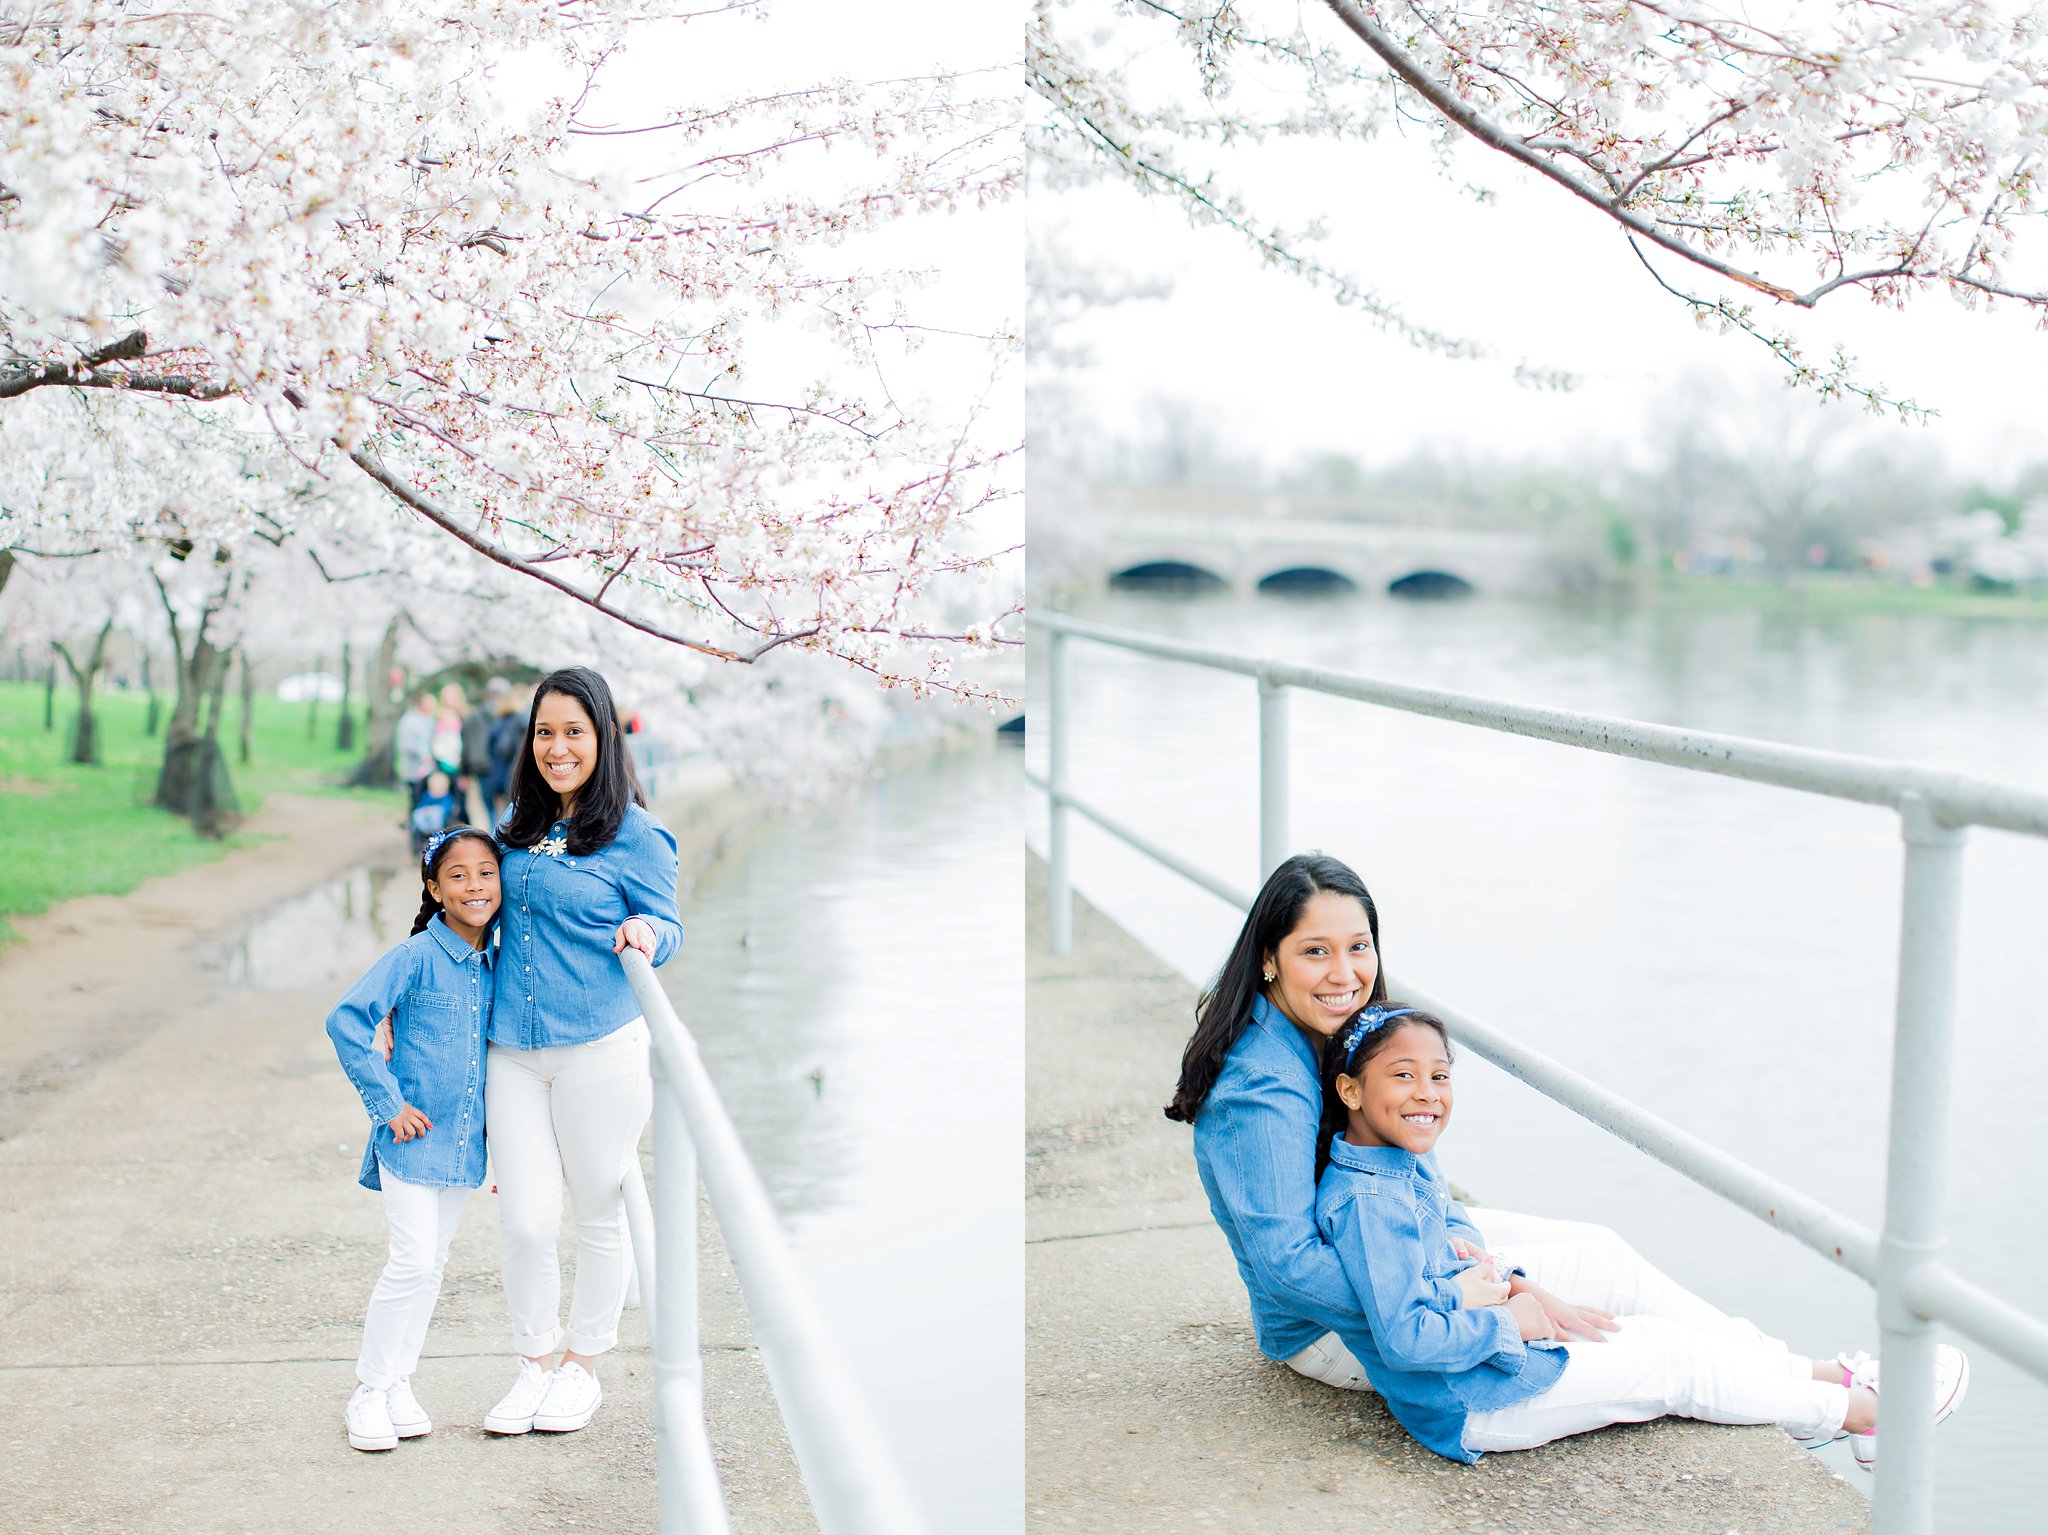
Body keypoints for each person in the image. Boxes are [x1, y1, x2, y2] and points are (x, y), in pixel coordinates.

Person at [1167, 851, 1944, 1441]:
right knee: (1650, 1353)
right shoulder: (1261, 1087)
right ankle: (1854, 1412)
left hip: (1397, 1257)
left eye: (1359, 946)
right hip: (1335, 1327)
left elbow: (1417, 1176)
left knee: (1600, 1253)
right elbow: (1291, 1267)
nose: (1346, 974)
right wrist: (1473, 1295)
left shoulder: (1340, 1035)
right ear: (1268, 956)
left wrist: (1475, 1260)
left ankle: (1800, 1373)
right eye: (1315, 952)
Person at [1315, 1002, 1969, 1465]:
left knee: (1651, 1330)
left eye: (1440, 1074)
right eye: (1403, 1075)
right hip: (1470, 1401)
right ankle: (1863, 1411)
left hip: (1487, 1368)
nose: (1428, 1092)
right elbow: (1405, 1337)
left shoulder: (1397, 1159)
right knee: (1671, 1361)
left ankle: (1823, 1384)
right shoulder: (1370, 1202)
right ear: (1349, 1087)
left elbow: (1448, 1252)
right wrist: (1514, 1320)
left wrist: (1504, 1283)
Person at [480, 665, 683, 1437]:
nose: (557, 747)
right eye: (545, 732)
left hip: (599, 1046)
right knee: (527, 1220)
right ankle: (533, 1360)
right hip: (513, 1051)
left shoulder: (637, 833)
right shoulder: (514, 824)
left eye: (573, 731)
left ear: (602, 737)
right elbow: (468, 913)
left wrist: (646, 934)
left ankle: (583, 1365)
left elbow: (669, 924)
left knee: (599, 1209)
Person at [324, 826, 501, 1452]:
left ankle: (400, 1381)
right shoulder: (417, 957)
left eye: (486, 873)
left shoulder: (495, 962)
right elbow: (347, 1020)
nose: (474, 886)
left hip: (464, 1144)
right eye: (458, 876)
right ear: (433, 888)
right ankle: (368, 1391)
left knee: (434, 1267)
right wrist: (387, 1103)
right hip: (413, 1137)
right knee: (412, 1260)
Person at [393, 692, 437, 806]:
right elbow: (405, 743)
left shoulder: (431, 719)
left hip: (429, 769)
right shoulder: (410, 720)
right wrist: (422, 755)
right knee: (416, 798)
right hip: (414, 768)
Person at [408, 770, 462, 854]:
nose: (437, 789)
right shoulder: (426, 796)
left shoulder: (447, 798)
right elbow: (420, 807)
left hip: (441, 824)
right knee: (415, 825)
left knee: (450, 821)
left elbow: (449, 809)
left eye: (440, 786)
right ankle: (417, 851)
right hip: (424, 823)